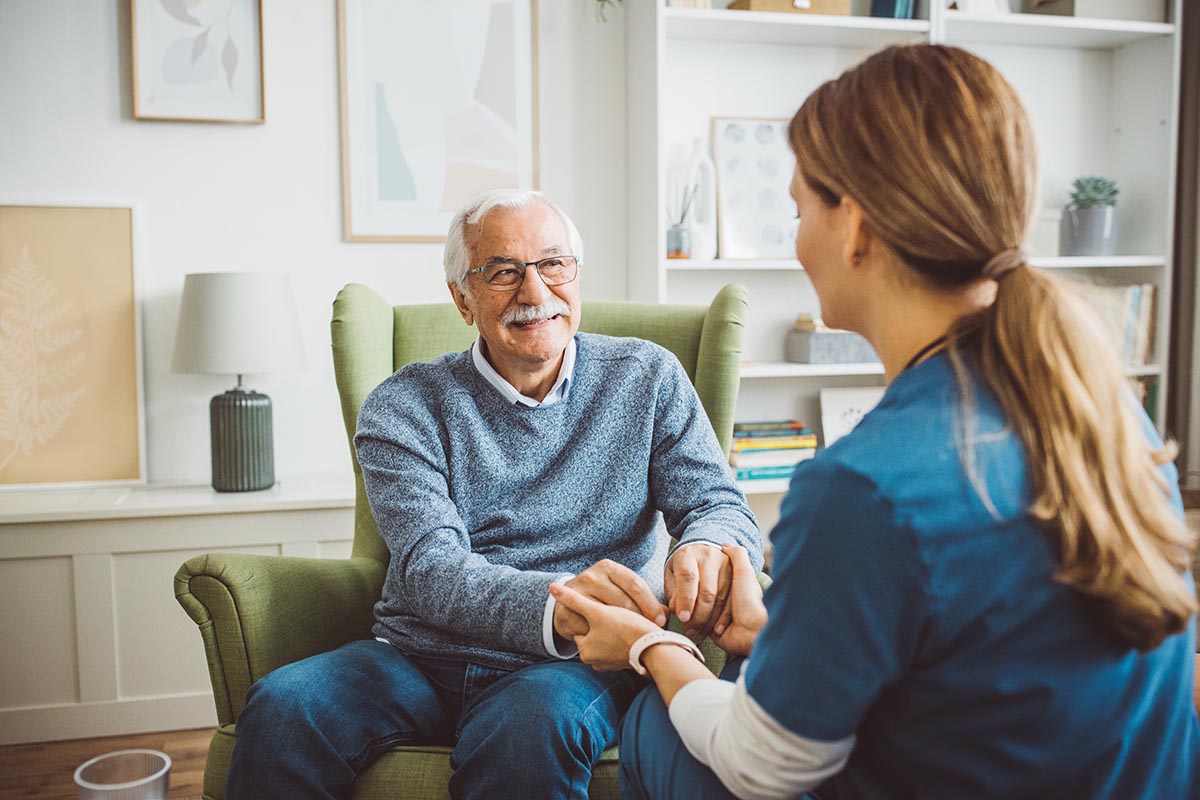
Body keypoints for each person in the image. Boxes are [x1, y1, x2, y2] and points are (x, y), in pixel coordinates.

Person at [550, 44, 1200, 799]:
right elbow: (991, 646)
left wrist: (652, 648)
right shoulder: (1101, 404)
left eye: (799, 210)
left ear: (854, 226)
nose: (797, 239)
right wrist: (790, 629)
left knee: (654, 723)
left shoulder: (863, 486)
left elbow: (763, 767)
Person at [223, 188, 763, 799]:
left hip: (577, 662)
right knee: (283, 708)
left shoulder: (648, 376)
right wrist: (559, 604)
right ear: (462, 297)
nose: (535, 293)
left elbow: (718, 504)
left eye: (553, 264)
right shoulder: (404, 405)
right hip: (419, 657)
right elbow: (430, 569)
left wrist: (708, 544)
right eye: (503, 272)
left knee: (528, 732)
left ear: (575, 275)